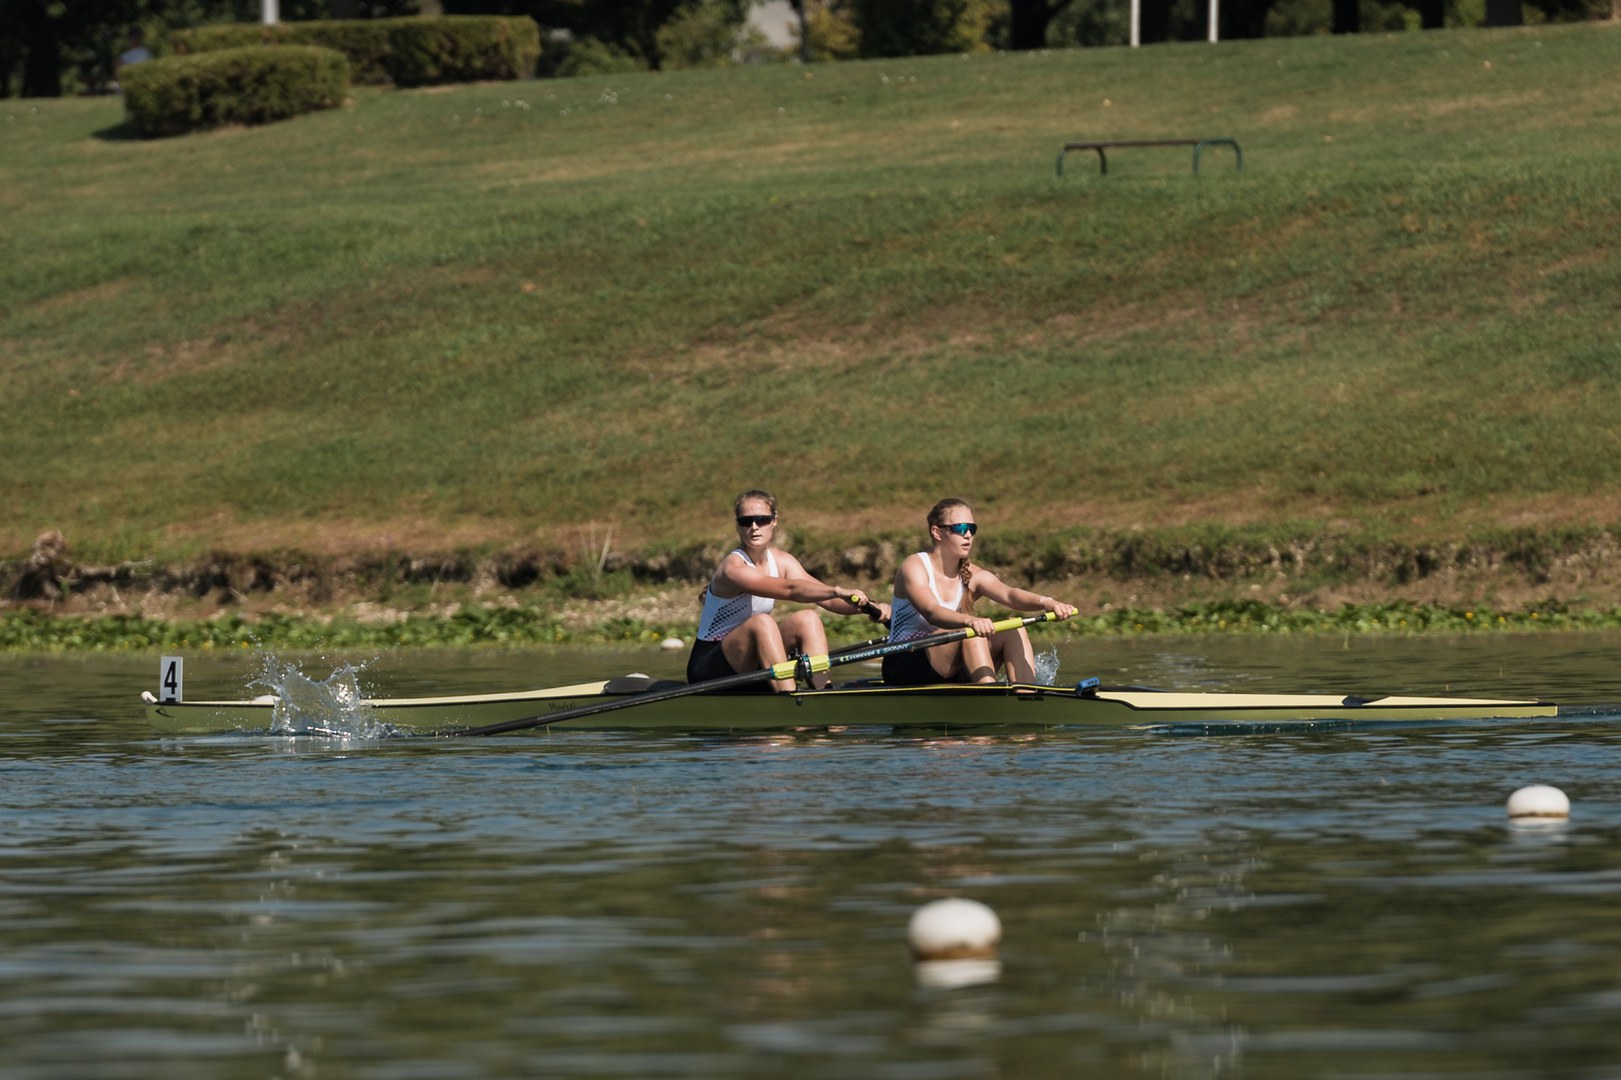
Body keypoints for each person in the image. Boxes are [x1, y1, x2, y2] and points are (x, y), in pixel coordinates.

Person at [688, 490, 886, 692]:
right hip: (709, 669)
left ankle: (824, 691)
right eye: (746, 521)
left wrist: (871, 606)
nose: (754, 527)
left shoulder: (782, 561)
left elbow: (826, 599)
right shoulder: (733, 568)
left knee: (807, 619)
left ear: (774, 520)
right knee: (762, 623)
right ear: (738, 525)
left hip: (752, 660)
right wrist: (836, 590)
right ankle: (789, 696)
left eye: (762, 520)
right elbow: (790, 590)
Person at [883, 497, 1077, 687]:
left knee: (1012, 628)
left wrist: (1048, 603)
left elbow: (1010, 595)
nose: (968, 535)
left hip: (948, 662)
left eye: (972, 529)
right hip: (904, 662)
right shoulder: (915, 566)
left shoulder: (972, 574)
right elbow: (930, 611)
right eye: (960, 528)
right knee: (970, 632)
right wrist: (970, 620)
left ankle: (1026, 692)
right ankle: (988, 692)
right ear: (937, 532)